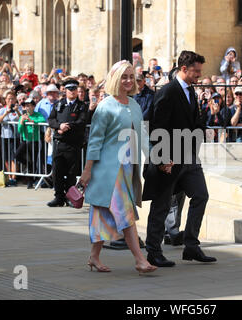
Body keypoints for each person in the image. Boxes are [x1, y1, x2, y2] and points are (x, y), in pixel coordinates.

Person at [78, 60, 156, 275]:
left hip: (127, 168)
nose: (129, 81)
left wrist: (157, 159)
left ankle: (94, 256)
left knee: (104, 213)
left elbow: (143, 138)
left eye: (131, 76)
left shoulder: (134, 105)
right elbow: (95, 141)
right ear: (115, 79)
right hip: (108, 170)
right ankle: (140, 260)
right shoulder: (105, 106)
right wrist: (87, 170)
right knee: (125, 211)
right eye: (124, 76)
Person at [143, 50, 216, 267]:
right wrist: (163, 158)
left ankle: (191, 245)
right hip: (170, 160)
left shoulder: (190, 91)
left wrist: (202, 132)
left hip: (189, 158)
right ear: (184, 69)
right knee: (161, 205)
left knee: (201, 195)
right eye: (196, 71)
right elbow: (156, 127)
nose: (199, 75)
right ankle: (153, 251)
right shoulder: (168, 92)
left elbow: (194, 120)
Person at [47, 79, 87, 207]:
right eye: (70, 89)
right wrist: (59, 126)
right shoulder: (59, 104)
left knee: (71, 173)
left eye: (75, 89)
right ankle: (58, 197)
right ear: (65, 90)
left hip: (73, 143)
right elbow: (51, 119)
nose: (72, 92)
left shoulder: (81, 106)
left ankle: (70, 197)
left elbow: (81, 122)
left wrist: (67, 126)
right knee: (57, 171)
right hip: (59, 143)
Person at [16, 98, 45, 189]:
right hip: (26, 140)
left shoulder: (37, 115)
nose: (27, 107)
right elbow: (19, 131)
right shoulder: (22, 116)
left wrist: (32, 121)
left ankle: (30, 181)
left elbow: (43, 121)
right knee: (17, 155)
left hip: (35, 141)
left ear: (33, 106)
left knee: (33, 160)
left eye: (29, 105)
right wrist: (21, 122)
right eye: (26, 106)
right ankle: (27, 165)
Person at [0, 90, 21, 186]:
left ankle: (14, 177)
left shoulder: (18, 109)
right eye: (9, 99)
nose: (11, 100)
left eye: (12, 99)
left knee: (14, 158)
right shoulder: (2, 109)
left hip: (15, 136)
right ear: (5, 100)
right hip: (4, 136)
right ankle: (9, 176)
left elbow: (21, 118)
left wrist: (17, 110)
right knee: (6, 157)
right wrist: (6, 113)